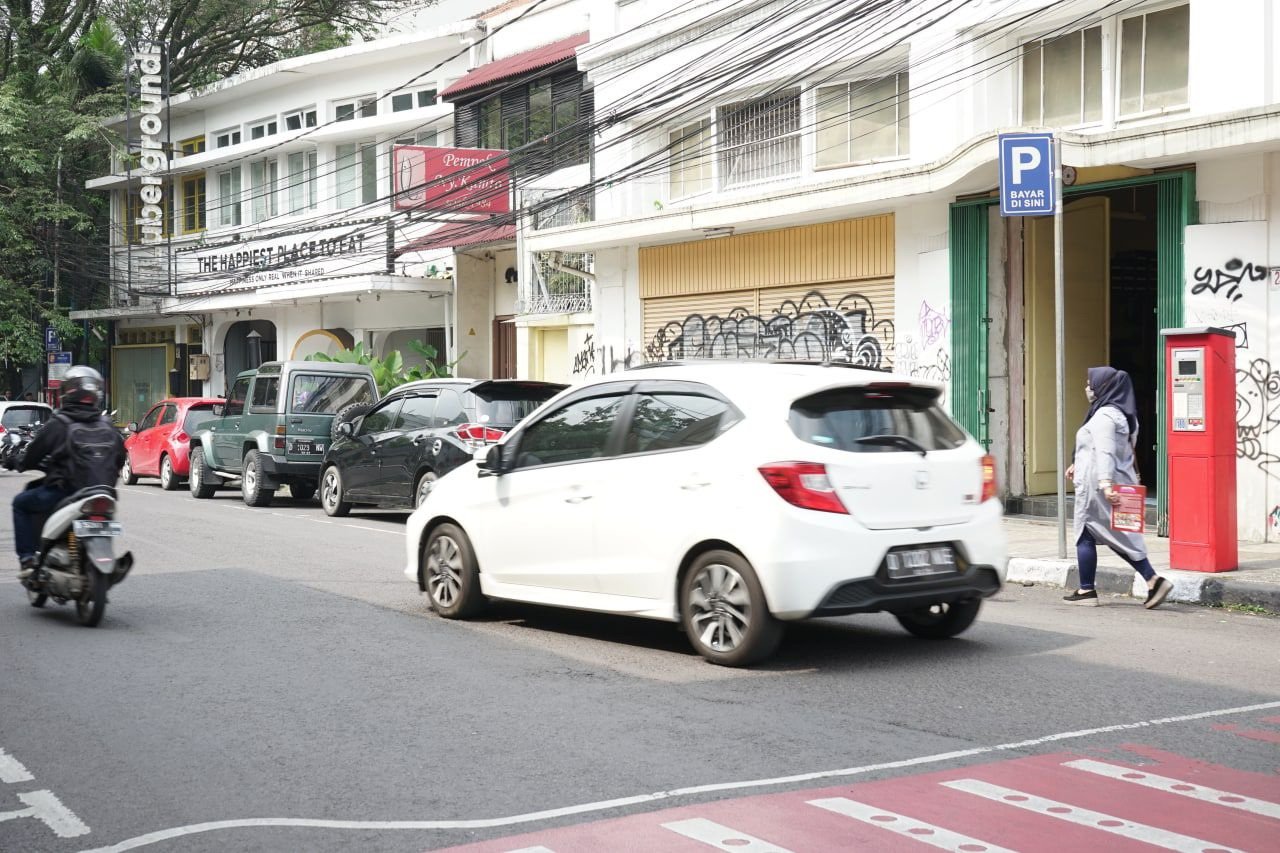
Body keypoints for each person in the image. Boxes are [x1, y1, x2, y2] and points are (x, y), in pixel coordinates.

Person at [1064, 366, 1172, 609]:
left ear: (1104, 387)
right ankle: (1089, 588)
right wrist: (1076, 463)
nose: (1087, 388)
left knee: (1091, 532)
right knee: (1111, 534)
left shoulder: (1104, 417)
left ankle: (1148, 580)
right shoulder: (1123, 415)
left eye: (1091, 383)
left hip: (1097, 488)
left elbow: (1105, 452)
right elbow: (1105, 450)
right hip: (1113, 482)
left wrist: (1104, 484)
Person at [12, 366, 125, 578]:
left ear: (66, 393)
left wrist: (19, 463)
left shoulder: (59, 423)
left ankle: (27, 558)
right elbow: (120, 458)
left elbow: (33, 455)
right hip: (103, 493)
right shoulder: (107, 424)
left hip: (65, 492)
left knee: (21, 503)